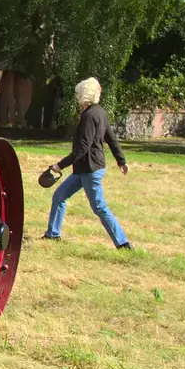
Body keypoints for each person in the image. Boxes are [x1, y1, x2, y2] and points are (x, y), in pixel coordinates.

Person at [42, 76, 131, 249]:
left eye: (78, 93)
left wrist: (60, 165)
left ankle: (123, 243)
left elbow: (83, 147)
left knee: (99, 207)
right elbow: (112, 139)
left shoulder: (89, 115)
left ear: (84, 94)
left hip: (89, 169)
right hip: (86, 168)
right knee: (59, 196)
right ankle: (53, 234)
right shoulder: (100, 112)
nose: (76, 96)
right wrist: (121, 161)